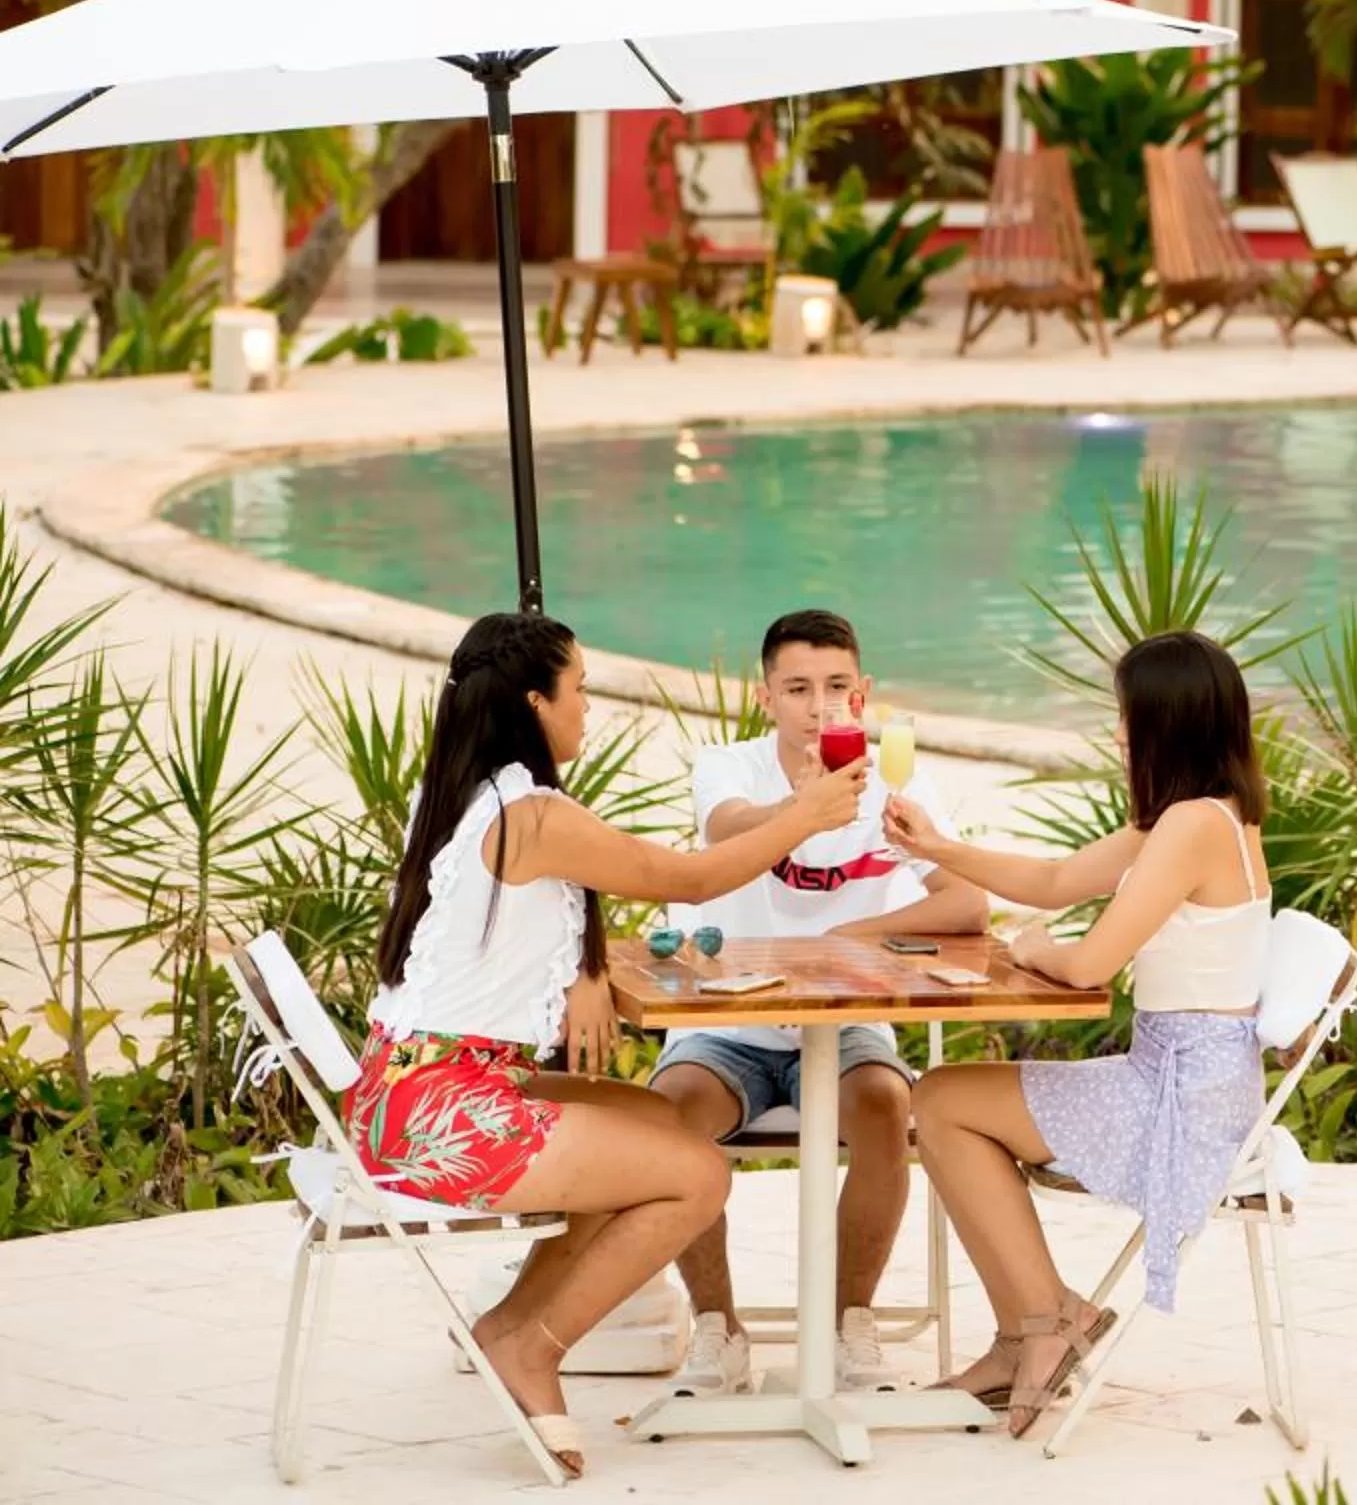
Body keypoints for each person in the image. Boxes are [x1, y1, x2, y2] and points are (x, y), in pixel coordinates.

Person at [350, 608, 866, 1481]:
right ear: (533, 702)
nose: (588, 706)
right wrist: (807, 812)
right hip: (439, 1114)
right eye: (579, 688)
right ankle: (535, 1345)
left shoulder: (470, 795)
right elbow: (690, 877)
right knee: (698, 1173)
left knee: (657, 1123)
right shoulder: (531, 813)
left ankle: (510, 1327)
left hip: (419, 1084)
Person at [885, 627, 1272, 1440]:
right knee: (945, 1098)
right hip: (1185, 1077)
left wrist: (1031, 948)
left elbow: (1091, 962)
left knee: (946, 1101)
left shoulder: (1194, 826)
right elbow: (1059, 881)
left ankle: (1047, 1320)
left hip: (1180, 1100)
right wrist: (940, 847)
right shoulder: (1199, 817)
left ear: (1167, 721)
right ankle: (1032, 1325)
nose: (1120, 733)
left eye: (1128, 717)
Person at [647, 605, 987, 1398]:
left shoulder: (899, 782)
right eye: (799, 689)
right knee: (669, 1116)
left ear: (864, 696)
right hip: (732, 1029)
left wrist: (854, 934)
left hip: (849, 1022)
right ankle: (716, 1329)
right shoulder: (727, 767)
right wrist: (802, 807)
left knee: (881, 1106)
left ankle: (848, 1326)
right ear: (765, 697)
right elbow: (728, 831)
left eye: (838, 688)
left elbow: (968, 904)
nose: (821, 707)